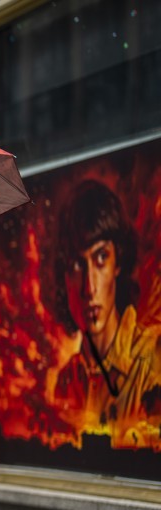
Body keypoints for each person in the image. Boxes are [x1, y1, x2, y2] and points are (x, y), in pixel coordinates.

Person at [46, 180, 161, 449]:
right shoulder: (66, 381)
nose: (89, 287)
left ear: (118, 262)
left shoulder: (152, 361)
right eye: (76, 265)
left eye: (100, 259)